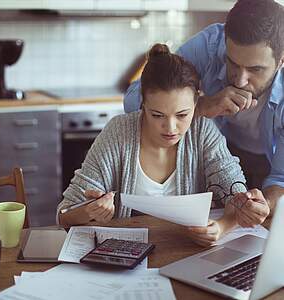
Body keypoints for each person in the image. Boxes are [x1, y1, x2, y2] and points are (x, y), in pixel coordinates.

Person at [57, 44, 269, 247]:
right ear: (142, 104)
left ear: (197, 102)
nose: (170, 128)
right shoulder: (119, 132)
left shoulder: (203, 131)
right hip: (123, 258)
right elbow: (64, 214)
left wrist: (222, 226)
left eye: (182, 115)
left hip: (183, 255)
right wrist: (89, 211)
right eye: (157, 115)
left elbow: (236, 195)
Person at [124, 0, 283, 222]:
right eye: (232, 63)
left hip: (269, 162)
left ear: (280, 61)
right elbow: (133, 99)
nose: (240, 79)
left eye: (255, 69)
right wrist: (202, 106)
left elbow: (281, 178)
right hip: (214, 160)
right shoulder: (209, 46)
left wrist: (263, 206)